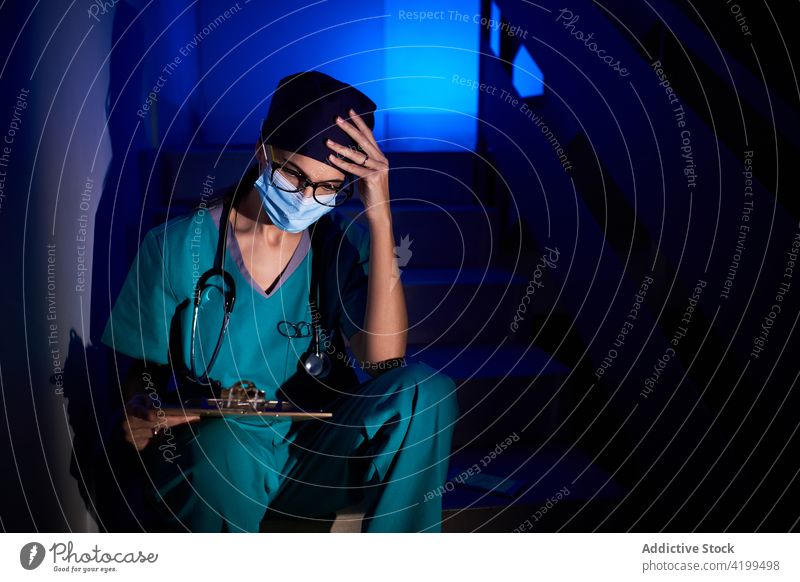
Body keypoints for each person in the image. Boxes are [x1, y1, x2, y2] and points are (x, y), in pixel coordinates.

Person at [101, 71, 458, 533]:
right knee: (225, 448)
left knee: (426, 393)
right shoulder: (174, 247)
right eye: (293, 174)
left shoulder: (342, 246)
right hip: (219, 454)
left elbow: (385, 359)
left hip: (314, 456)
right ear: (263, 151)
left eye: (328, 188)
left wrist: (380, 215)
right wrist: (143, 406)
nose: (306, 199)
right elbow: (137, 373)